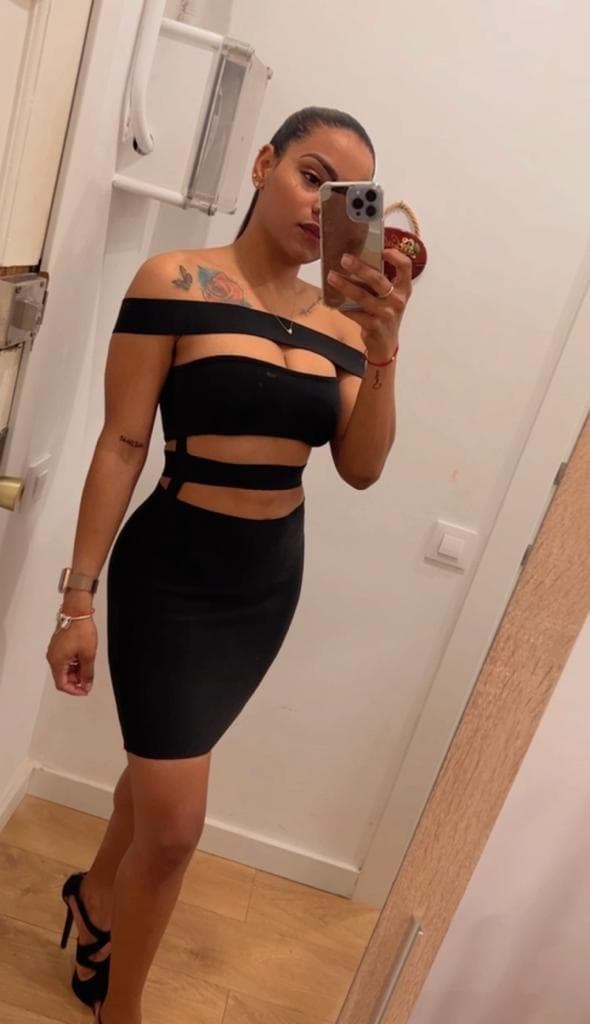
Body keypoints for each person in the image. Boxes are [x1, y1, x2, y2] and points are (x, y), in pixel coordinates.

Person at [46, 106, 413, 1024]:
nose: (322, 204)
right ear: (263, 164)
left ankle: (95, 901)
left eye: (348, 195)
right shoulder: (175, 280)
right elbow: (123, 442)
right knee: (175, 830)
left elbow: (362, 467)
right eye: (311, 176)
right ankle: (122, 1011)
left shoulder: (344, 326)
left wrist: (385, 350)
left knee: (167, 770)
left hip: (264, 586)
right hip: (169, 578)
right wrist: (78, 598)